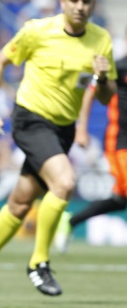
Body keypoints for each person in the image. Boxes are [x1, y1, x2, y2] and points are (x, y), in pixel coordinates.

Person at [0, 0, 115, 301]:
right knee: (65, 182)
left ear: (93, 4)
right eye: (74, 0)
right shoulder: (37, 31)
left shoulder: (101, 40)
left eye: (86, 1)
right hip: (31, 119)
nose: (80, 6)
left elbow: (106, 96)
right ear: (62, 1)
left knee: (20, 203)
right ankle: (39, 262)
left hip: (63, 129)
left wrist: (102, 79)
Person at [54, 56, 127, 252]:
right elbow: (90, 92)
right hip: (120, 142)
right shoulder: (119, 66)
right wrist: (82, 128)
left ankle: (71, 221)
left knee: (120, 200)